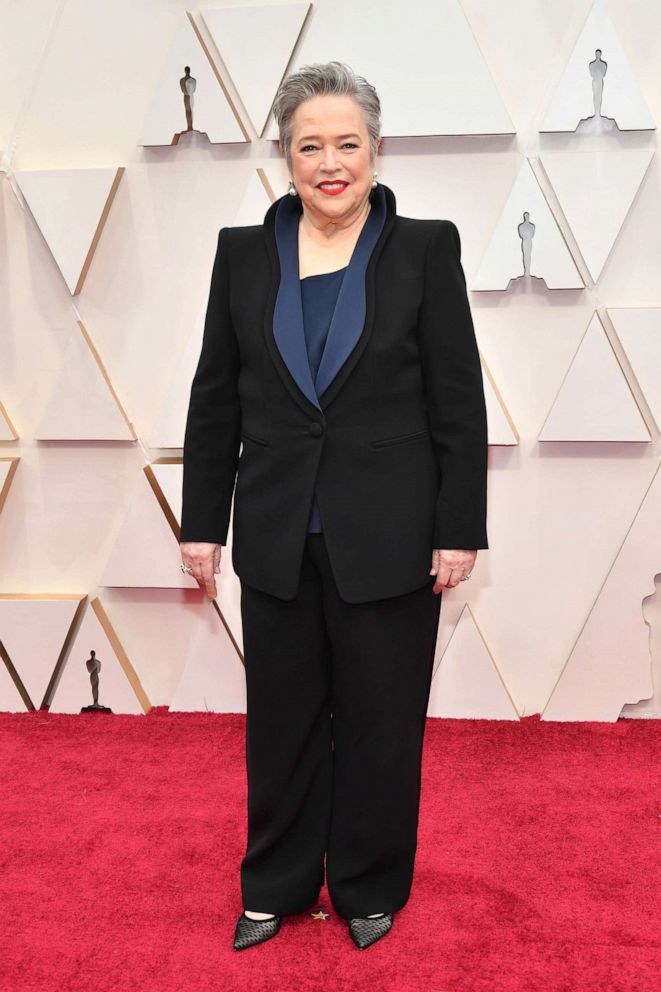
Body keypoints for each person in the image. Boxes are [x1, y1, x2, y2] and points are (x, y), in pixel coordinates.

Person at [179, 61, 488, 951]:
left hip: (390, 533)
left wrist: (456, 529)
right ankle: (273, 884)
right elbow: (215, 400)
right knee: (279, 722)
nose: (329, 162)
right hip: (276, 531)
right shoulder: (242, 253)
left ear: (375, 151)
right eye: (309, 145)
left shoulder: (426, 247)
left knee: (380, 723)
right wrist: (202, 523)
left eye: (346, 143)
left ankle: (366, 886)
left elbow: (455, 400)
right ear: (285, 157)